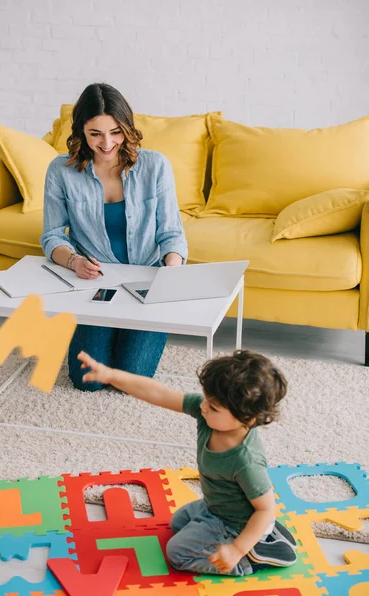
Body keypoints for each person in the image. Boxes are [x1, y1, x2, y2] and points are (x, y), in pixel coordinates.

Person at [76, 348, 297, 577]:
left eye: (213, 407)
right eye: (206, 399)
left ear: (247, 419)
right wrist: (112, 375)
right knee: (177, 523)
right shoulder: (208, 415)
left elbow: (266, 509)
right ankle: (249, 539)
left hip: (236, 525)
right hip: (216, 506)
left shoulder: (246, 461)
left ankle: (251, 560)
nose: (203, 406)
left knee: (177, 553)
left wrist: (236, 549)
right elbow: (159, 393)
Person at [40, 83, 187, 391]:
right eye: (95, 134)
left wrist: (171, 273)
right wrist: (74, 261)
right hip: (96, 283)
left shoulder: (155, 165)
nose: (107, 143)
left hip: (147, 280)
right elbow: (52, 236)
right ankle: (108, 328)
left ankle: (127, 329)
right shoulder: (61, 170)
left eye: (116, 132)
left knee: (131, 379)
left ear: (127, 128)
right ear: (81, 130)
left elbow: (172, 234)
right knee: (86, 381)